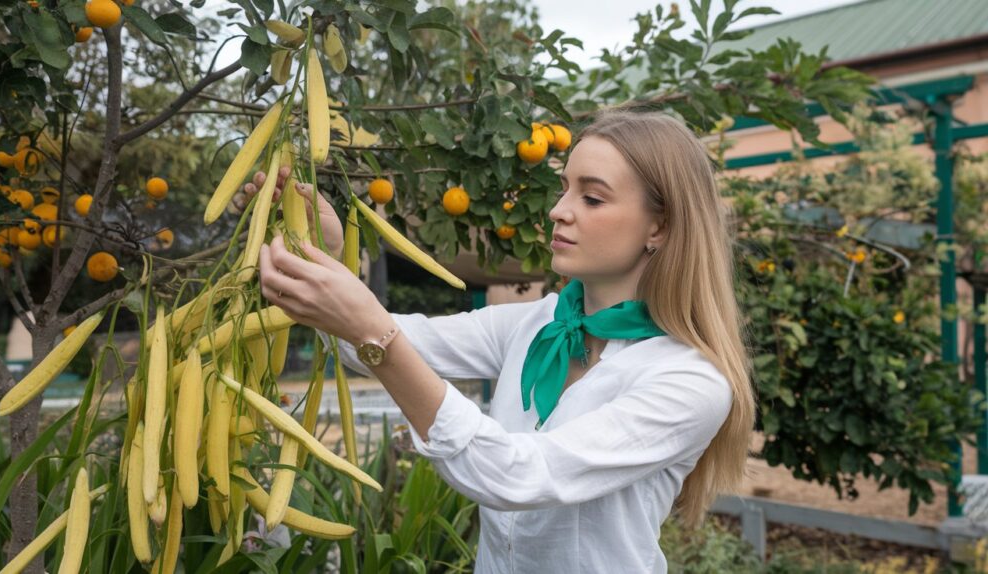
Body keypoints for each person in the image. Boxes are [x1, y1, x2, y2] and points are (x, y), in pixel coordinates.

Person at [243, 110, 755, 572]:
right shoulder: (535, 321)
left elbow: (517, 477)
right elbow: (375, 346)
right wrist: (332, 257)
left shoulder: (690, 382)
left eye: (591, 197)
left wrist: (371, 328)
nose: (559, 210)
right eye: (565, 188)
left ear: (659, 228)